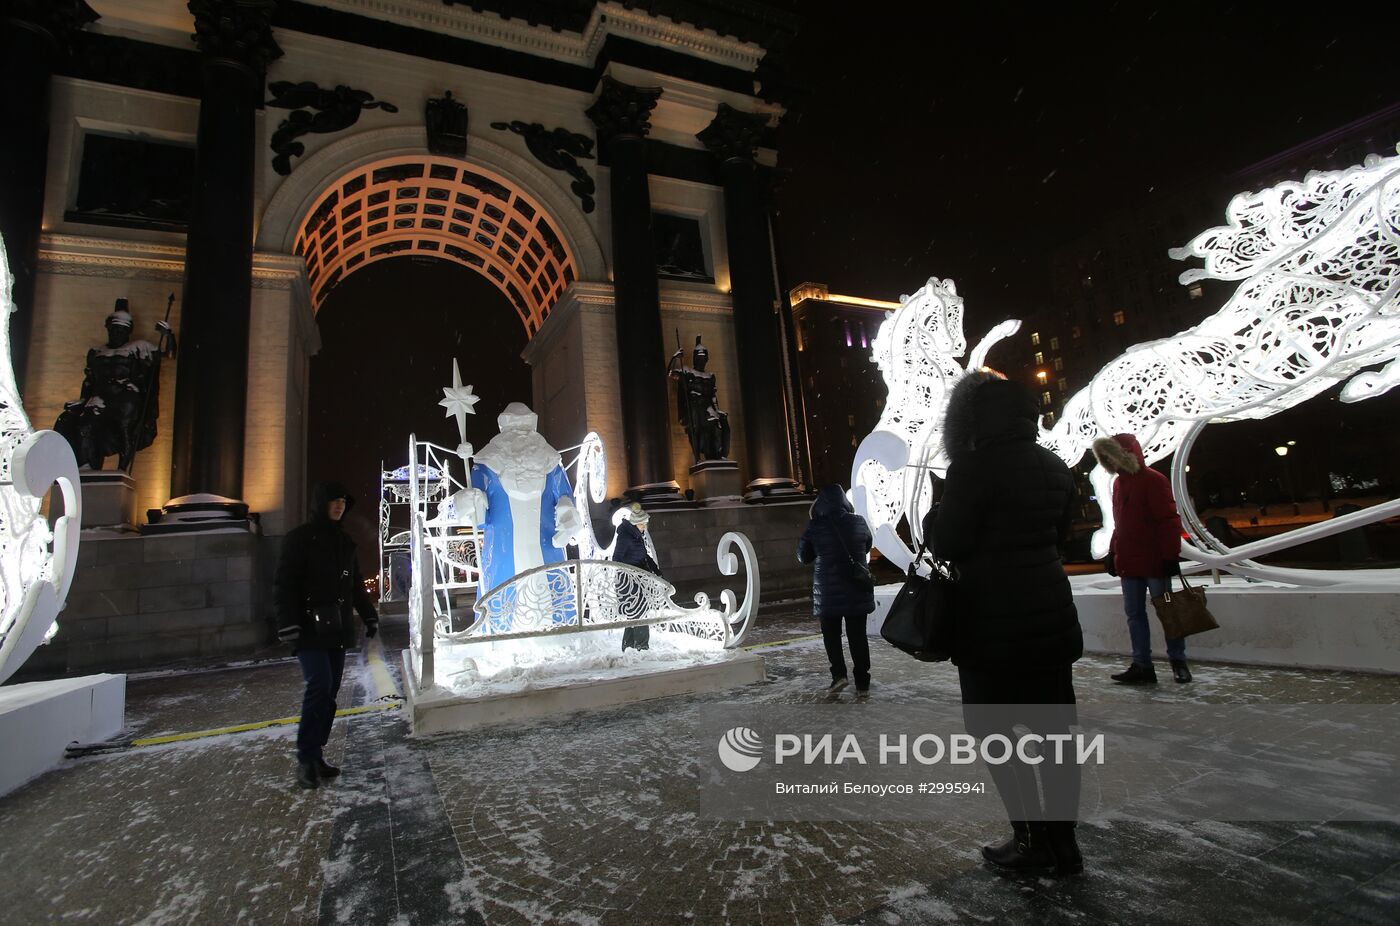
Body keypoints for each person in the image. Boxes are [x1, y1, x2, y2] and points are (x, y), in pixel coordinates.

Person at [931, 371, 1084, 875]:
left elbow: (949, 543)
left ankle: (1029, 840)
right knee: (1056, 740)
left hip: (989, 626)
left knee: (997, 734)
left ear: (975, 421)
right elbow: (1058, 535)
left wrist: (936, 515)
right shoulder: (1055, 466)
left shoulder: (973, 469)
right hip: (1049, 619)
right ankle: (1065, 846)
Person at [275, 482, 380, 790]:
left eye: (343, 502)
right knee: (318, 685)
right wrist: (287, 624)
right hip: (308, 628)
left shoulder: (345, 542)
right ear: (321, 503)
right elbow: (284, 584)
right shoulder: (299, 539)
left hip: (336, 628)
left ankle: (316, 753)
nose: (338, 506)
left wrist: (369, 615)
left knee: (331, 691)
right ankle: (305, 758)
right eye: (333, 501)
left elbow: (355, 586)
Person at [1093, 433, 1191, 684]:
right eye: (1106, 458)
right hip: (1129, 561)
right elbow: (1120, 524)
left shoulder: (1153, 480)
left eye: (1112, 456)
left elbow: (1168, 521)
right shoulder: (1118, 484)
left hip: (1155, 560)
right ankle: (1142, 665)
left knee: (1167, 611)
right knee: (1134, 614)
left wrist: (1170, 556)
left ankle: (1178, 662)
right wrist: (1113, 552)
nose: (1109, 462)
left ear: (1125, 455)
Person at [53, 299, 171, 471]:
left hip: (125, 396)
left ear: (128, 331)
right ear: (108, 329)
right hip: (100, 397)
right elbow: (89, 381)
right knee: (84, 425)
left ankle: (122, 469)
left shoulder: (138, 347)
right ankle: (87, 466)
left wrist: (168, 335)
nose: (117, 333)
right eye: (114, 330)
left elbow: (168, 353)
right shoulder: (97, 352)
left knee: (125, 430)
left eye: (121, 330)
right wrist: (82, 400)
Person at [797, 484, 875, 694]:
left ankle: (839, 675)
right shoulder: (858, 521)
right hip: (857, 588)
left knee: (831, 636)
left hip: (828, 593)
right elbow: (867, 545)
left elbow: (803, 556)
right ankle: (862, 682)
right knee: (858, 636)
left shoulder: (816, 526)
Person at [611, 502, 661, 651]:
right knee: (639, 613)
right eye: (643, 525)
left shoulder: (636, 536)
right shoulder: (626, 537)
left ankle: (629, 645)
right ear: (636, 524)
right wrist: (631, 573)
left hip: (638, 581)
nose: (645, 527)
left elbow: (644, 557)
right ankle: (641, 646)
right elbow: (617, 559)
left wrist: (656, 571)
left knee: (636, 614)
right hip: (629, 583)